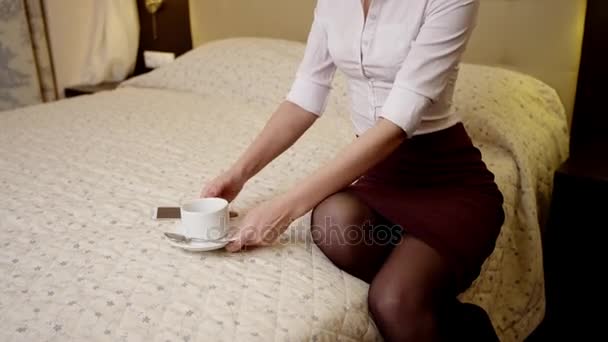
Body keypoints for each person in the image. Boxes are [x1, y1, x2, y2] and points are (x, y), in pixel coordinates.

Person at [201, 0, 504, 340]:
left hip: (447, 182)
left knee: (392, 301)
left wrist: (283, 209)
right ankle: (452, 314)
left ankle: (429, 295)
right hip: (381, 177)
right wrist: (238, 174)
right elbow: (305, 95)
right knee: (332, 221)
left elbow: (396, 125)